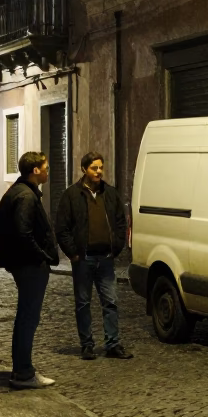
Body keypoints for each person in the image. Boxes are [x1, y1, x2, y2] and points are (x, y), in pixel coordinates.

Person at [55, 151, 132, 360]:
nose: (98, 172)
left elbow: (120, 222)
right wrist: (73, 253)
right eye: (94, 168)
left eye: (100, 167)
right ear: (84, 169)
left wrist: (116, 247)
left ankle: (113, 344)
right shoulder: (72, 195)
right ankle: (87, 345)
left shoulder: (110, 193)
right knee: (83, 303)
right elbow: (62, 227)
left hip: (106, 258)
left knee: (111, 302)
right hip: (84, 258)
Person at [0, 150, 59, 389]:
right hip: (29, 265)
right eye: (46, 168)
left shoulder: (19, 191)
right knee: (28, 318)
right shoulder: (26, 196)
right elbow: (24, 233)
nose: (48, 172)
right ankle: (23, 373)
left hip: (23, 263)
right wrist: (41, 257)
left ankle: (23, 369)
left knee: (27, 317)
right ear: (35, 170)